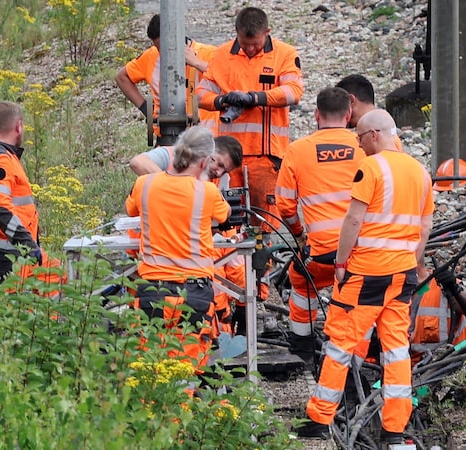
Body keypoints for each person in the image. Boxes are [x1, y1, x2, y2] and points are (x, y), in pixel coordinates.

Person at [297, 109, 434, 444]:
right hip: (402, 274)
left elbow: (354, 220)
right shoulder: (420, 171)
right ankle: (394, 428)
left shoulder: (371, 167)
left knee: (341, 344)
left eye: (358, 138)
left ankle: (319, 418)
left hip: (367, 274)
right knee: (397, 349)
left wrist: (341, 262)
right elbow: (425, 226)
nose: (358, 146)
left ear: (373, 134)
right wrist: (411, 262)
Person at [125, 126, 231, 373]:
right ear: (205, 161)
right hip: (194, 293)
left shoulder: (144, 184)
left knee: (149, 370)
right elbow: (225, 214)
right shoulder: (207, 191)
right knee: (185, 373)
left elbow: (130, 209)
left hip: (152, 289)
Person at [274, 86, 365, 363]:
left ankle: (302, 347)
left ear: (316, 115)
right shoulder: (364, 146)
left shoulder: (298, 150)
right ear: (349, 114)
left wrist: (300, 236)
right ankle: (360, 354)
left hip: (321, 252)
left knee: (301, 280)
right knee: (362, 297)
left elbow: (285, 206)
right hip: (361, 253)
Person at [197, 6, 303, 234]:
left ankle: (265, 268)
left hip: (266, 157)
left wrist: (255, 98)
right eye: (246, 44)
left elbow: (294, 92)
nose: (251, 48)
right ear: (236, 32)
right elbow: (201, 94)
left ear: (268, 32)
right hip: (228, 158)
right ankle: (227, 267)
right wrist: (222, 100)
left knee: (265, 223)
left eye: (255, 43)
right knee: (225, 219)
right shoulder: (222, 55)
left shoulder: (285, 54)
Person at [0, 101, 63, 290]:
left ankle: (47, 319)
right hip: (3, 253)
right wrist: (27, 246)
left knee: (54, 276)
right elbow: (0, 208)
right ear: (18, 126)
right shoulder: (0, 160)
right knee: (1, 311)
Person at [116, 14, 219, 142]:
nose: (163, 54)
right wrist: (146, 109)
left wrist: (197, 63)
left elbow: (227, 79)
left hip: (206, 140)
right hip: (167, 137)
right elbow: (122, 77)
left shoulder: (208, 53)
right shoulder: (151, 56)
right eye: (159, 48)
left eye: (167, 49)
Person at [410, 263, 466, 364]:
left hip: (454, 364)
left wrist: (455, 289)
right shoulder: (388, 293)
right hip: (405, 373)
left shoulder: (441, 285)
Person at [336, 73, 403, 150]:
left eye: (341, 106)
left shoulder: (359, 141)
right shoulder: (392, 138)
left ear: (351, 100)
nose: (340, 114)